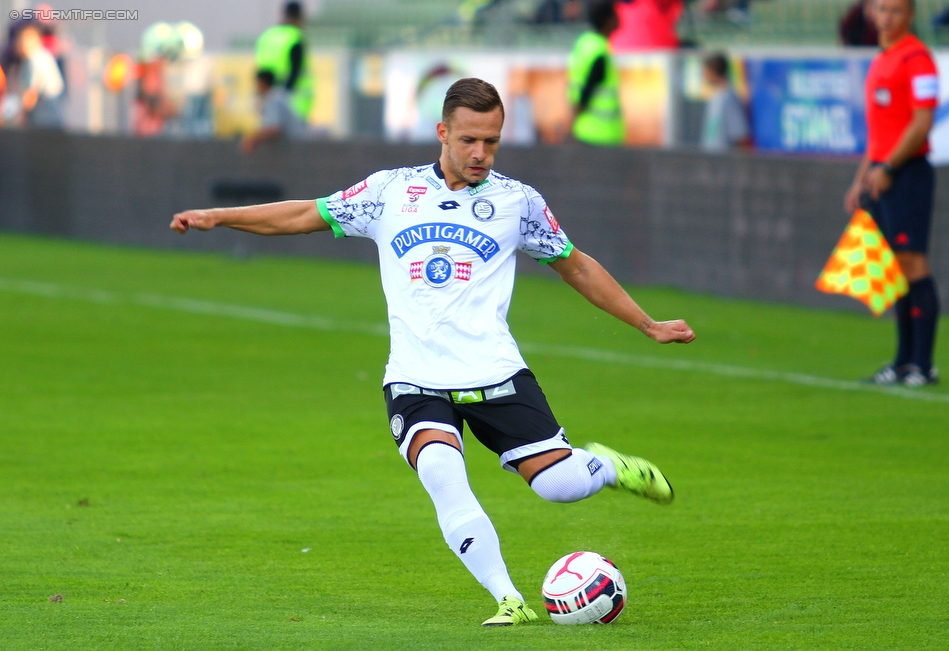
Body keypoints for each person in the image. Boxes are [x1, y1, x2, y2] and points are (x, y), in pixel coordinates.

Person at [170, 77, 695, 626]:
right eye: (469, 140)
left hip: (496, 374)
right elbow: (306, 215)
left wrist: (647, 324)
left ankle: (606, 466)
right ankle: (508, 600)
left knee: (560, 487)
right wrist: (220, 216)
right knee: (442, 472)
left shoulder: (518, 202)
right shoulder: (391, 191)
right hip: (416, 382)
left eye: (492, 141)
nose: (481, 154)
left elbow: (577, 265)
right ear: (443, 132)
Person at [844, 0, 941, 387]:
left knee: (914, 265)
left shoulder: (917, 59)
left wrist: (889, 168)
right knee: (896, 270)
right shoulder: (880, 59)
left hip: (908, 175)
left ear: (911, 15)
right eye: (882, 9)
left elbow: (921, 124)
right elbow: (879, 133)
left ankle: (923, 364)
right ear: (872, 12)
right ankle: (903, 361)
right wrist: (861, 178)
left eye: (896, 10)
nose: (887, 17)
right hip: (881, 175)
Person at [567, 0, 625, 146]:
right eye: (615, 14)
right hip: (601, 135)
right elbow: (586, 93)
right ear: (608, 20)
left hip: (584, 130)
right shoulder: (600, 52)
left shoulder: (585, 43)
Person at [254, 1, 313, 123]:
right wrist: (283, 95)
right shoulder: (294, 37)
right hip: (294, 103)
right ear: (299, 17)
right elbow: (295, 72)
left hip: (267, 100)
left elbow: (261, 72)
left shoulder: (267, 37)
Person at [241, 69, 306, 153]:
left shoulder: (273, 99)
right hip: (297, 147)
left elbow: (275, 129)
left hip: (298, 149)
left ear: (262, 83)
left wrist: (252, 138)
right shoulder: (277, 96)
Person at [16, 23, 64, 128]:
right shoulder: (43, 56)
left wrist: (19, 115)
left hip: (44, 121)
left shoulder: (35, 58)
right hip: (53, 118)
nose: (19, 44)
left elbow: (32, 92)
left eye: (23, 40)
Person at [699, 52, 750, 152]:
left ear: (714, 71)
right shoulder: (714, 97)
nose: (704, 76)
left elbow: (741, 136)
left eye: (706, 71)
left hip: (724, 163)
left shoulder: (729, 98)